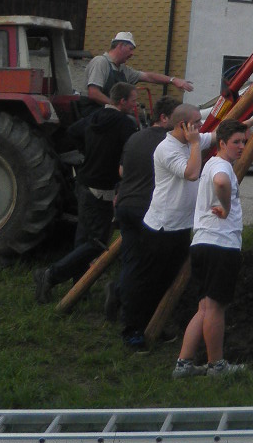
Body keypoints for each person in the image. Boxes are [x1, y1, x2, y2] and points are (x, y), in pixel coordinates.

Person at [34, 81, 140, 301]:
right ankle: (50, 275)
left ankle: (79, 288)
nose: (135, 104)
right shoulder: (125, 125)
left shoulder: (94, 117)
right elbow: (130, 155)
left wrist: (88, 151)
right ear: (122, 101)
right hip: (102, 188)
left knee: (83, 239)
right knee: (97, 242)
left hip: (84, 182)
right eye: (133, 100)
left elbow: (73, 131)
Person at [124, 103, 217, 350]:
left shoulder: (189, 140)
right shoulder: (167, 149)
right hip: (162, 227)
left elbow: (216, 136)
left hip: (181, 226)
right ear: (182, 125)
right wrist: (195, 144)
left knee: (166, 279)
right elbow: (191, 173)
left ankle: (154, 323)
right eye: (196, 123)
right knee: (148, 279)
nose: (200, 127)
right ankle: (132, 329)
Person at [173, 119, 248, 377]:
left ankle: (183, 364)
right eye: (236, 142)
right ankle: (216, 365)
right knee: (215, 309)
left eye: (244, 142)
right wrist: (226, 207)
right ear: (222, 143)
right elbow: (221, 183)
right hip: (221, 245)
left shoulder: (210, 164)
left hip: (202, 243)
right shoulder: (222, 166)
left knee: (204, 308)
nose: (241, 146)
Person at [107, 96, 177, 324]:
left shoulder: (135, 137)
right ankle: (136, 319)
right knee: (150, 265)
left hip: (126, 205)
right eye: (177, 118)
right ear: (164, 118)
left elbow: (121, 171)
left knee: (131, 260)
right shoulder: (168, 142)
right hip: (148, 209)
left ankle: (120, 296)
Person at [83, 29, 191, 111]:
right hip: (93, 114)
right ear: (120, 46)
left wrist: (173, 80)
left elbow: (148, 77)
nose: (132, 54)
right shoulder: (100, 62)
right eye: (130, 49)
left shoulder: (123, 70)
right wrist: (116, 106)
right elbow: (93, 93)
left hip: (111, 115)